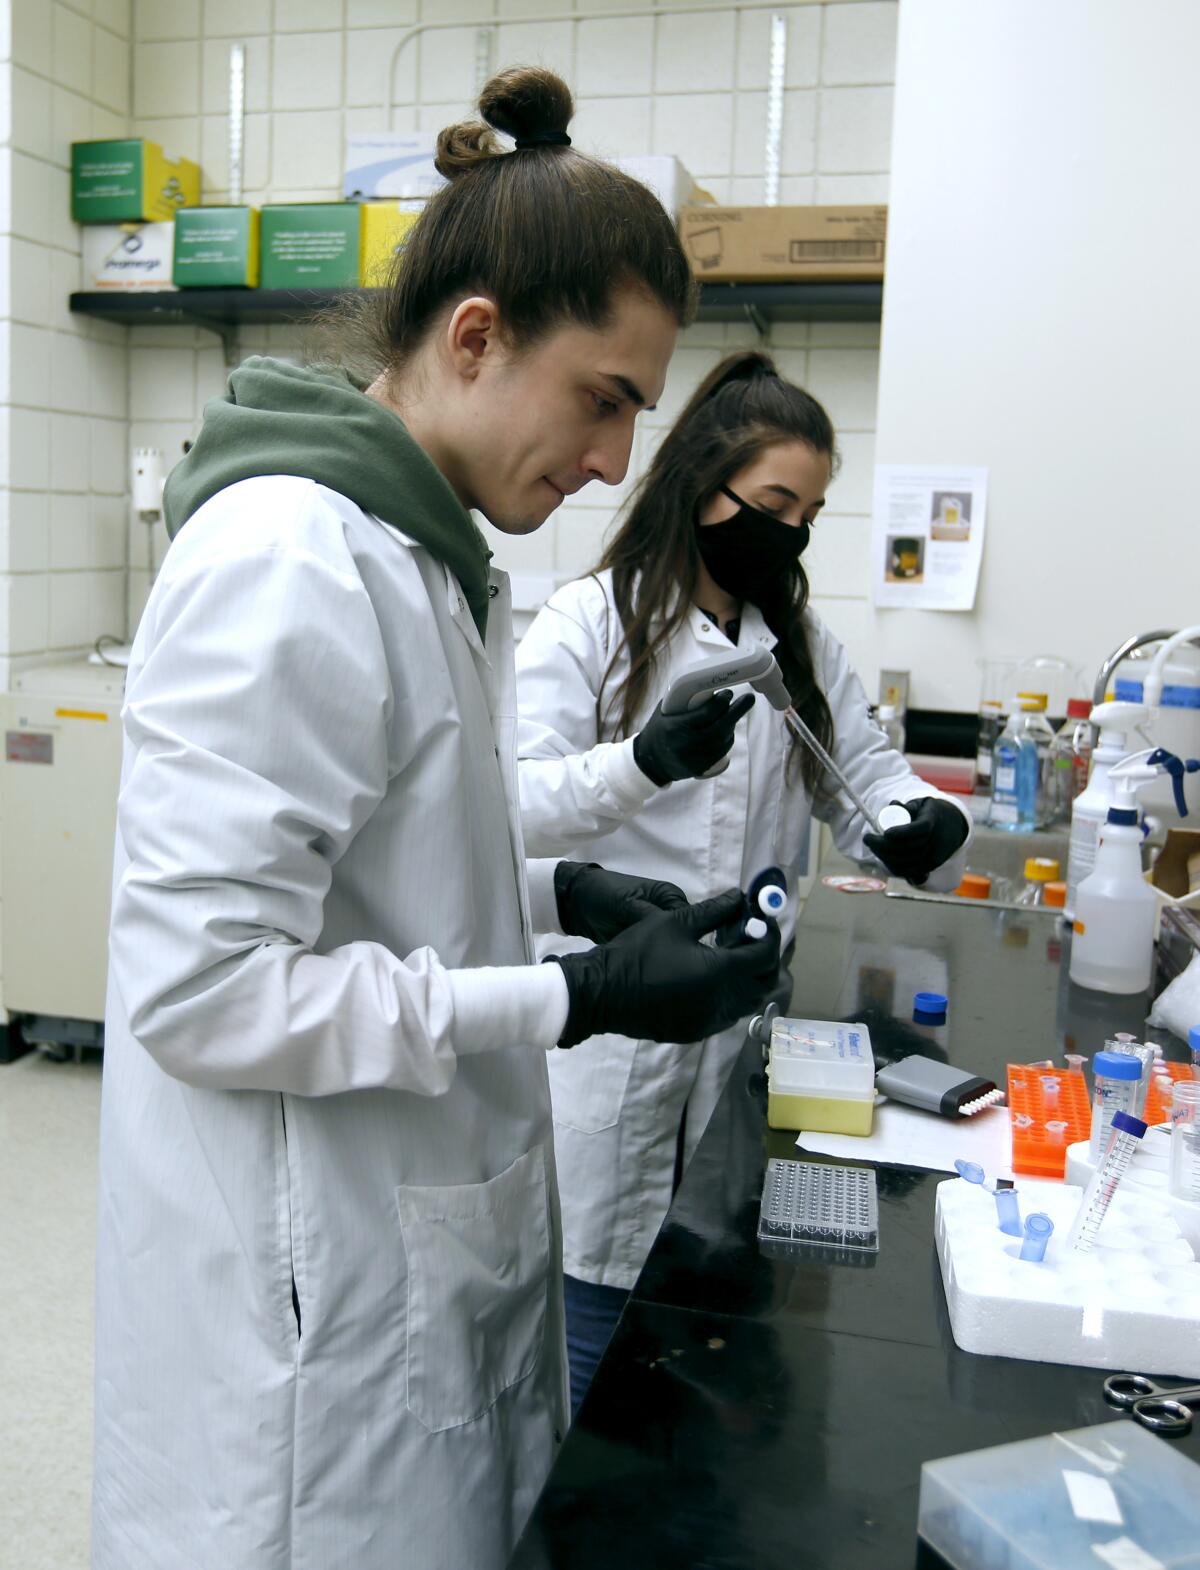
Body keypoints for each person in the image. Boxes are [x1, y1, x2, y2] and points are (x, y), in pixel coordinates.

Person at [91, 72, 781, 1570]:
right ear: (476, 336)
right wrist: (572, 995)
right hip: (309, 1341)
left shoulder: (422, 553)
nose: (615, 461)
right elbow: (203, 995)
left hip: (408, 1256)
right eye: (605, 399)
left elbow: (382, 886)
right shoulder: (291, 560)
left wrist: (565, 903)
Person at [515, 352, 973, 1410]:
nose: (792, 533)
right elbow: (517, 805)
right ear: (701, 484)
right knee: (596, 1333)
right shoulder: (591, 622)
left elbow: (861, 773)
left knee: (711, 1327)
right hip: (609, 1037)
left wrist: (915, 821)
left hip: (741, 1041)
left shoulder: (797, 639)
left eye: (809, 513)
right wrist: (642, 762)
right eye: (774, 504)